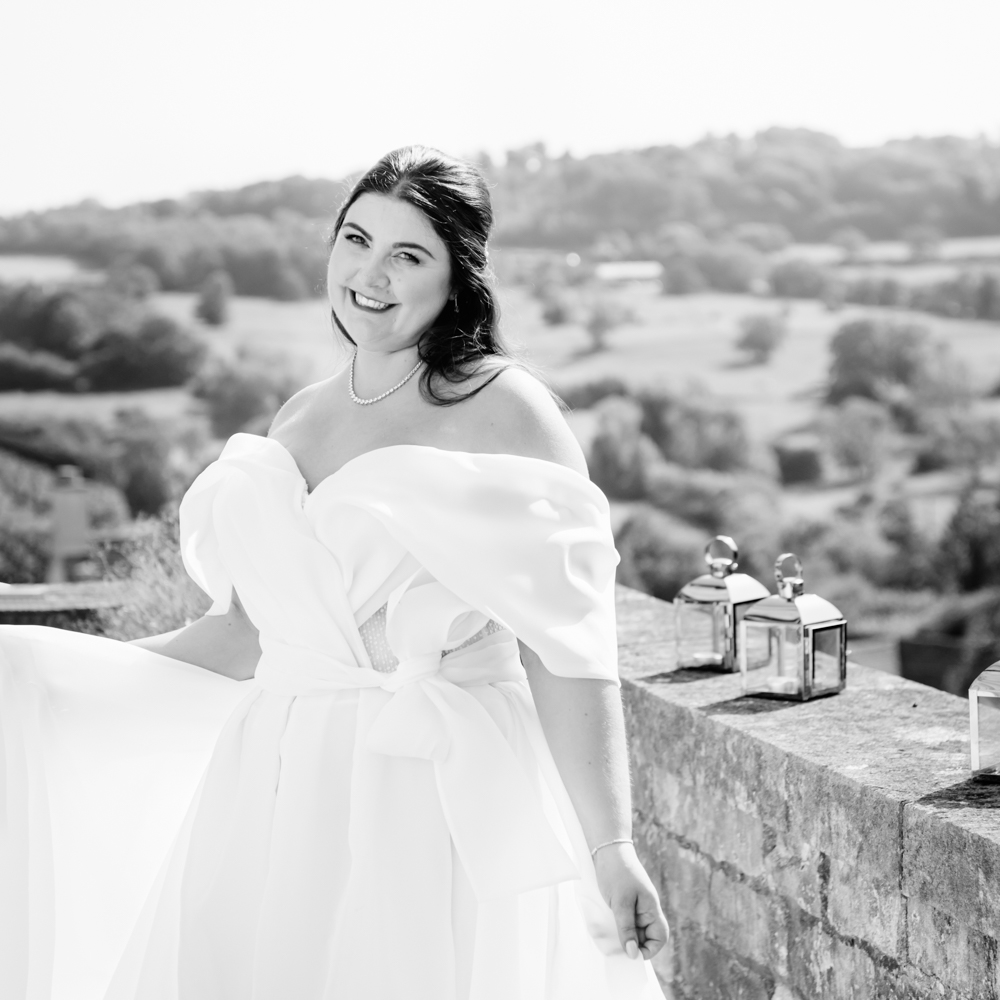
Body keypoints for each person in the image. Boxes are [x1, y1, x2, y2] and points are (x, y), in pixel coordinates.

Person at [0, 146, 667, 1000]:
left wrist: (611, 846)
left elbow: (567, 648)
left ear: (458, 277)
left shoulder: (504, 407)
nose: (371, 274)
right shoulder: (302, 414)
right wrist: (56, 668)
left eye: (408, 254)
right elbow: (251, 634)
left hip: (422, 788)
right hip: (276, 788)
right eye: (356, 239)